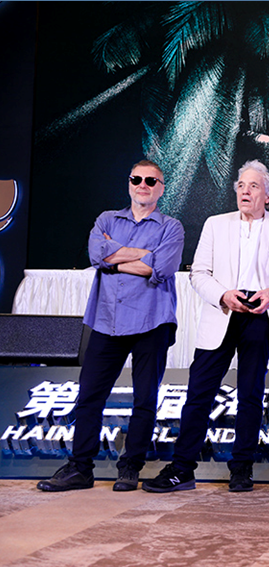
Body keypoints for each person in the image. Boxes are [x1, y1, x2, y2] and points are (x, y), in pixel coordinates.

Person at [142, 159, 269, 493]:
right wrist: (223, 296)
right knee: (199, 393)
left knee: (250, 395)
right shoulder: (216, 224)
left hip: (260, 314)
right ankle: (182, 468)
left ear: (268, 196)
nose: (245, 191)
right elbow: (199, 273)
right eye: (241, 185)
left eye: (254, 186)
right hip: (221, 311)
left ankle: (242, 468)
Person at [37, 160, 184, 492]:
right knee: (89, 396)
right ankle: (80, 468)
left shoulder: (171, 227)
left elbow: (162, 268)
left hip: (152, 321)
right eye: (136, 179)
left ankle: (130, 467)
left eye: (151, 180)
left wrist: (114, 257)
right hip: (107, 320)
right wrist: (142, 256)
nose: (142, 185)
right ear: (129, 183)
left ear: (161, 188)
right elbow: (96, 256)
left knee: (145, 399)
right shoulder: (106, 219)